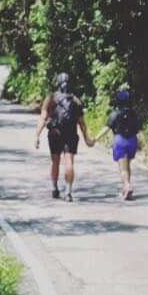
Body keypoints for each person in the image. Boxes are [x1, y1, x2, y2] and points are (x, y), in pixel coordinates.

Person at [34, 72, 93, 200]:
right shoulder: (75, 100)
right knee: (69, 161)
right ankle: (68, 192)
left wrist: (37, 135)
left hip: (55, 133)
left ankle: (54, 188)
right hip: (71, 133)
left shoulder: (51, 98)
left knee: (55, 161)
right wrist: (86, 138)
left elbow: (43, 118)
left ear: (58, 83)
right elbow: (82, 123)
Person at [96, 84, 144, 199]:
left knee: (122, 169)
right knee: (127, 166)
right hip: (132, 141)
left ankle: (127, 186)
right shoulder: (135, 114)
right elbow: (140, 131)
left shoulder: (114, 114)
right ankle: (124, 189)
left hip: (120, 141)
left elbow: (106, 129)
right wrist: (145, 145)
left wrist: (94, 139)